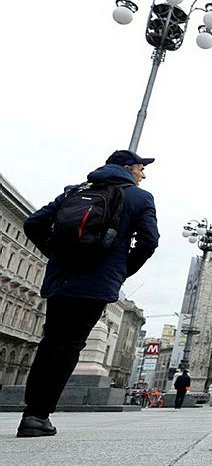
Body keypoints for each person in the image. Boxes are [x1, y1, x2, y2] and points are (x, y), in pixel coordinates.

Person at [17, 150, 159, 438]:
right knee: (70, 344)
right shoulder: (140, 198)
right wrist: (120, 270)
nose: (144, 174)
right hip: (96, 284)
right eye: (141, 168)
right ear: (127, 168)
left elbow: (33, 223)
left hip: (62, 279)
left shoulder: (76, 190)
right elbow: (149, 241)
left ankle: (31, 413)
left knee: (51, 342)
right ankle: (40, 415)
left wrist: (56, 255)